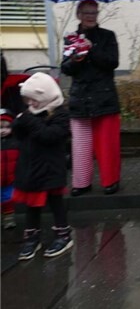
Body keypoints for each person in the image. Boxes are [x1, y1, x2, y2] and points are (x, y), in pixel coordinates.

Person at [61, 0, 121, 196]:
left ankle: (110, 181)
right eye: (86, 13)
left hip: (104, 97)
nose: (90, 16)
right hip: (80, 97)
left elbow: (112, 62)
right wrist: (77, 58)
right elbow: (66, 68)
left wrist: (91, 49)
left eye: (94, 12)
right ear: (78, 15)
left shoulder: (107, 36)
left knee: (107, 144)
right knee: (80, 145)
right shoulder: (71, 38)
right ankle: (81, 183)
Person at [12, 72, 72, 260]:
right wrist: (18, 123)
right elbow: (20, 136)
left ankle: (63, 233)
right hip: (30, 167)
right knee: (32, 204)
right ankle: (32, 237)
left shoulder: (60, 115)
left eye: (34, 100)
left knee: (55, 202)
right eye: (27, 100)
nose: (30, 104)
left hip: (51, 168)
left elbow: (48, 136)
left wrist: (29, 120)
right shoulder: (30, 113)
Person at [1, 108, 19, 229]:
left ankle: (8, 219)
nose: (3, 130)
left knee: (8, 199)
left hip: (10, 178)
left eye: (7, 127)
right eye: (0, 127)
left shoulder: (15, 142)